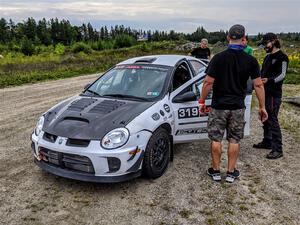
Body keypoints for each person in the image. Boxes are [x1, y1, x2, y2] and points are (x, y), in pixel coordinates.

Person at [198, 24, 268, 183]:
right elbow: (258, 85)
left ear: (228, 38)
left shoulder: (218, 58)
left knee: (216, 139)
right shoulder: (250, 60)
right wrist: (263, 107)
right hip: (237, 106)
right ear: (244, 39)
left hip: (219, 106)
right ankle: (230, 173)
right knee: (234, 140)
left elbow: (208, 82)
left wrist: (201, 101)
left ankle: (215, 171)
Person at [253, 33, 289, 159]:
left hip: (274, 94)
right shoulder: (267, 57)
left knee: (273, 120)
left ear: (273, 41)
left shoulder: (283, 57)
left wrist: (270, 80)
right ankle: (267, 141)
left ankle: (278, 149)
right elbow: (261, 73)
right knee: (265, 118)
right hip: (264, 93)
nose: (264, 47)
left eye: (266, 44)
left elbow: (282, 75)